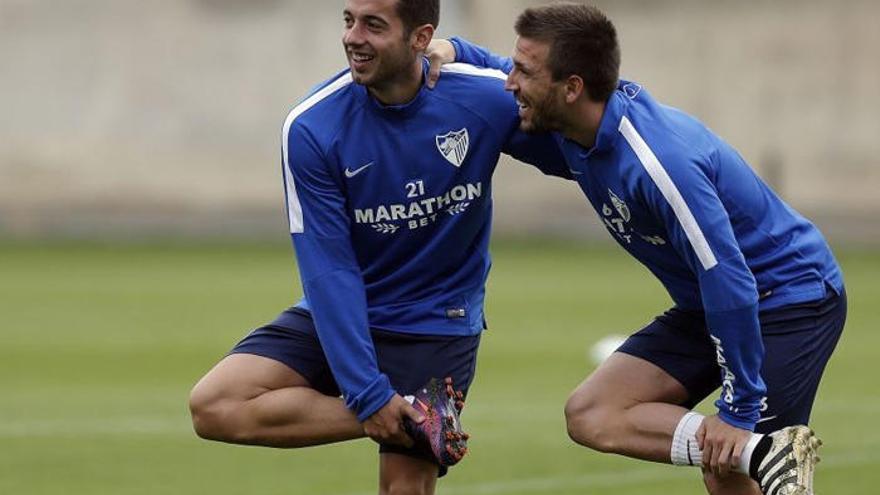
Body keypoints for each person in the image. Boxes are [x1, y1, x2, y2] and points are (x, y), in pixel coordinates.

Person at [426, 3, 845, 495]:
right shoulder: (574, 127)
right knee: (593, 413)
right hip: (709, 303)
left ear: (572, 87)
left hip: (789, 298)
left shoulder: (659, 162)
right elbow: (496, 70)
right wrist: (453, 49)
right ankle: (764, 452)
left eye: (524, 72)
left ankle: (761, 450)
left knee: (725, 465)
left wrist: (740, 410)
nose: (509, 83)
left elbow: (726, 276)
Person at [187, 1, 569, 494]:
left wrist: (465, 51)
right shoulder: (313, 126)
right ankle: (422, 418)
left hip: (438, 320)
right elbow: (329, 270)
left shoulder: (479, 98)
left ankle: (417, 416)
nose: (352, 37)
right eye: (348, 21)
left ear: (420, 37)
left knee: (402, 491)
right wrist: (369, 397)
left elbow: (564, 128)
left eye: (373, 25)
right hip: (353, 307)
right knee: (216, 405)